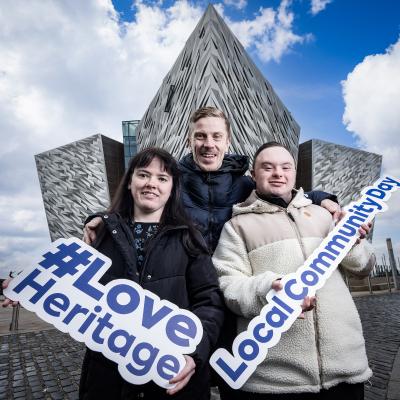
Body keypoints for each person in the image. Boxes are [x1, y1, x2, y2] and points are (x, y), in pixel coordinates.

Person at [212, 141, 375, 400]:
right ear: (253, 176)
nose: (278, 173)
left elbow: (363, 268)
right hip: (275, 380)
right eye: (268, 167)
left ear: (294, 173)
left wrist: (354, 243)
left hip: (346, 369)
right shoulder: (237, 226)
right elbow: (228, 286)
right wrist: (268, 289)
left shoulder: (326, 215)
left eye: (285, 167)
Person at [79, 148, 225, 399]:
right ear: (129, 183)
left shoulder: (190, 237)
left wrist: (194, 353)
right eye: (143, 175)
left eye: (162, 178)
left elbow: (208, 300)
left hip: (171, 374)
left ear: (172, 188)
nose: (151, 184)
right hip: (108, 377)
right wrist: (29, 287)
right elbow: (76, 288)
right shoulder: (100, 234)